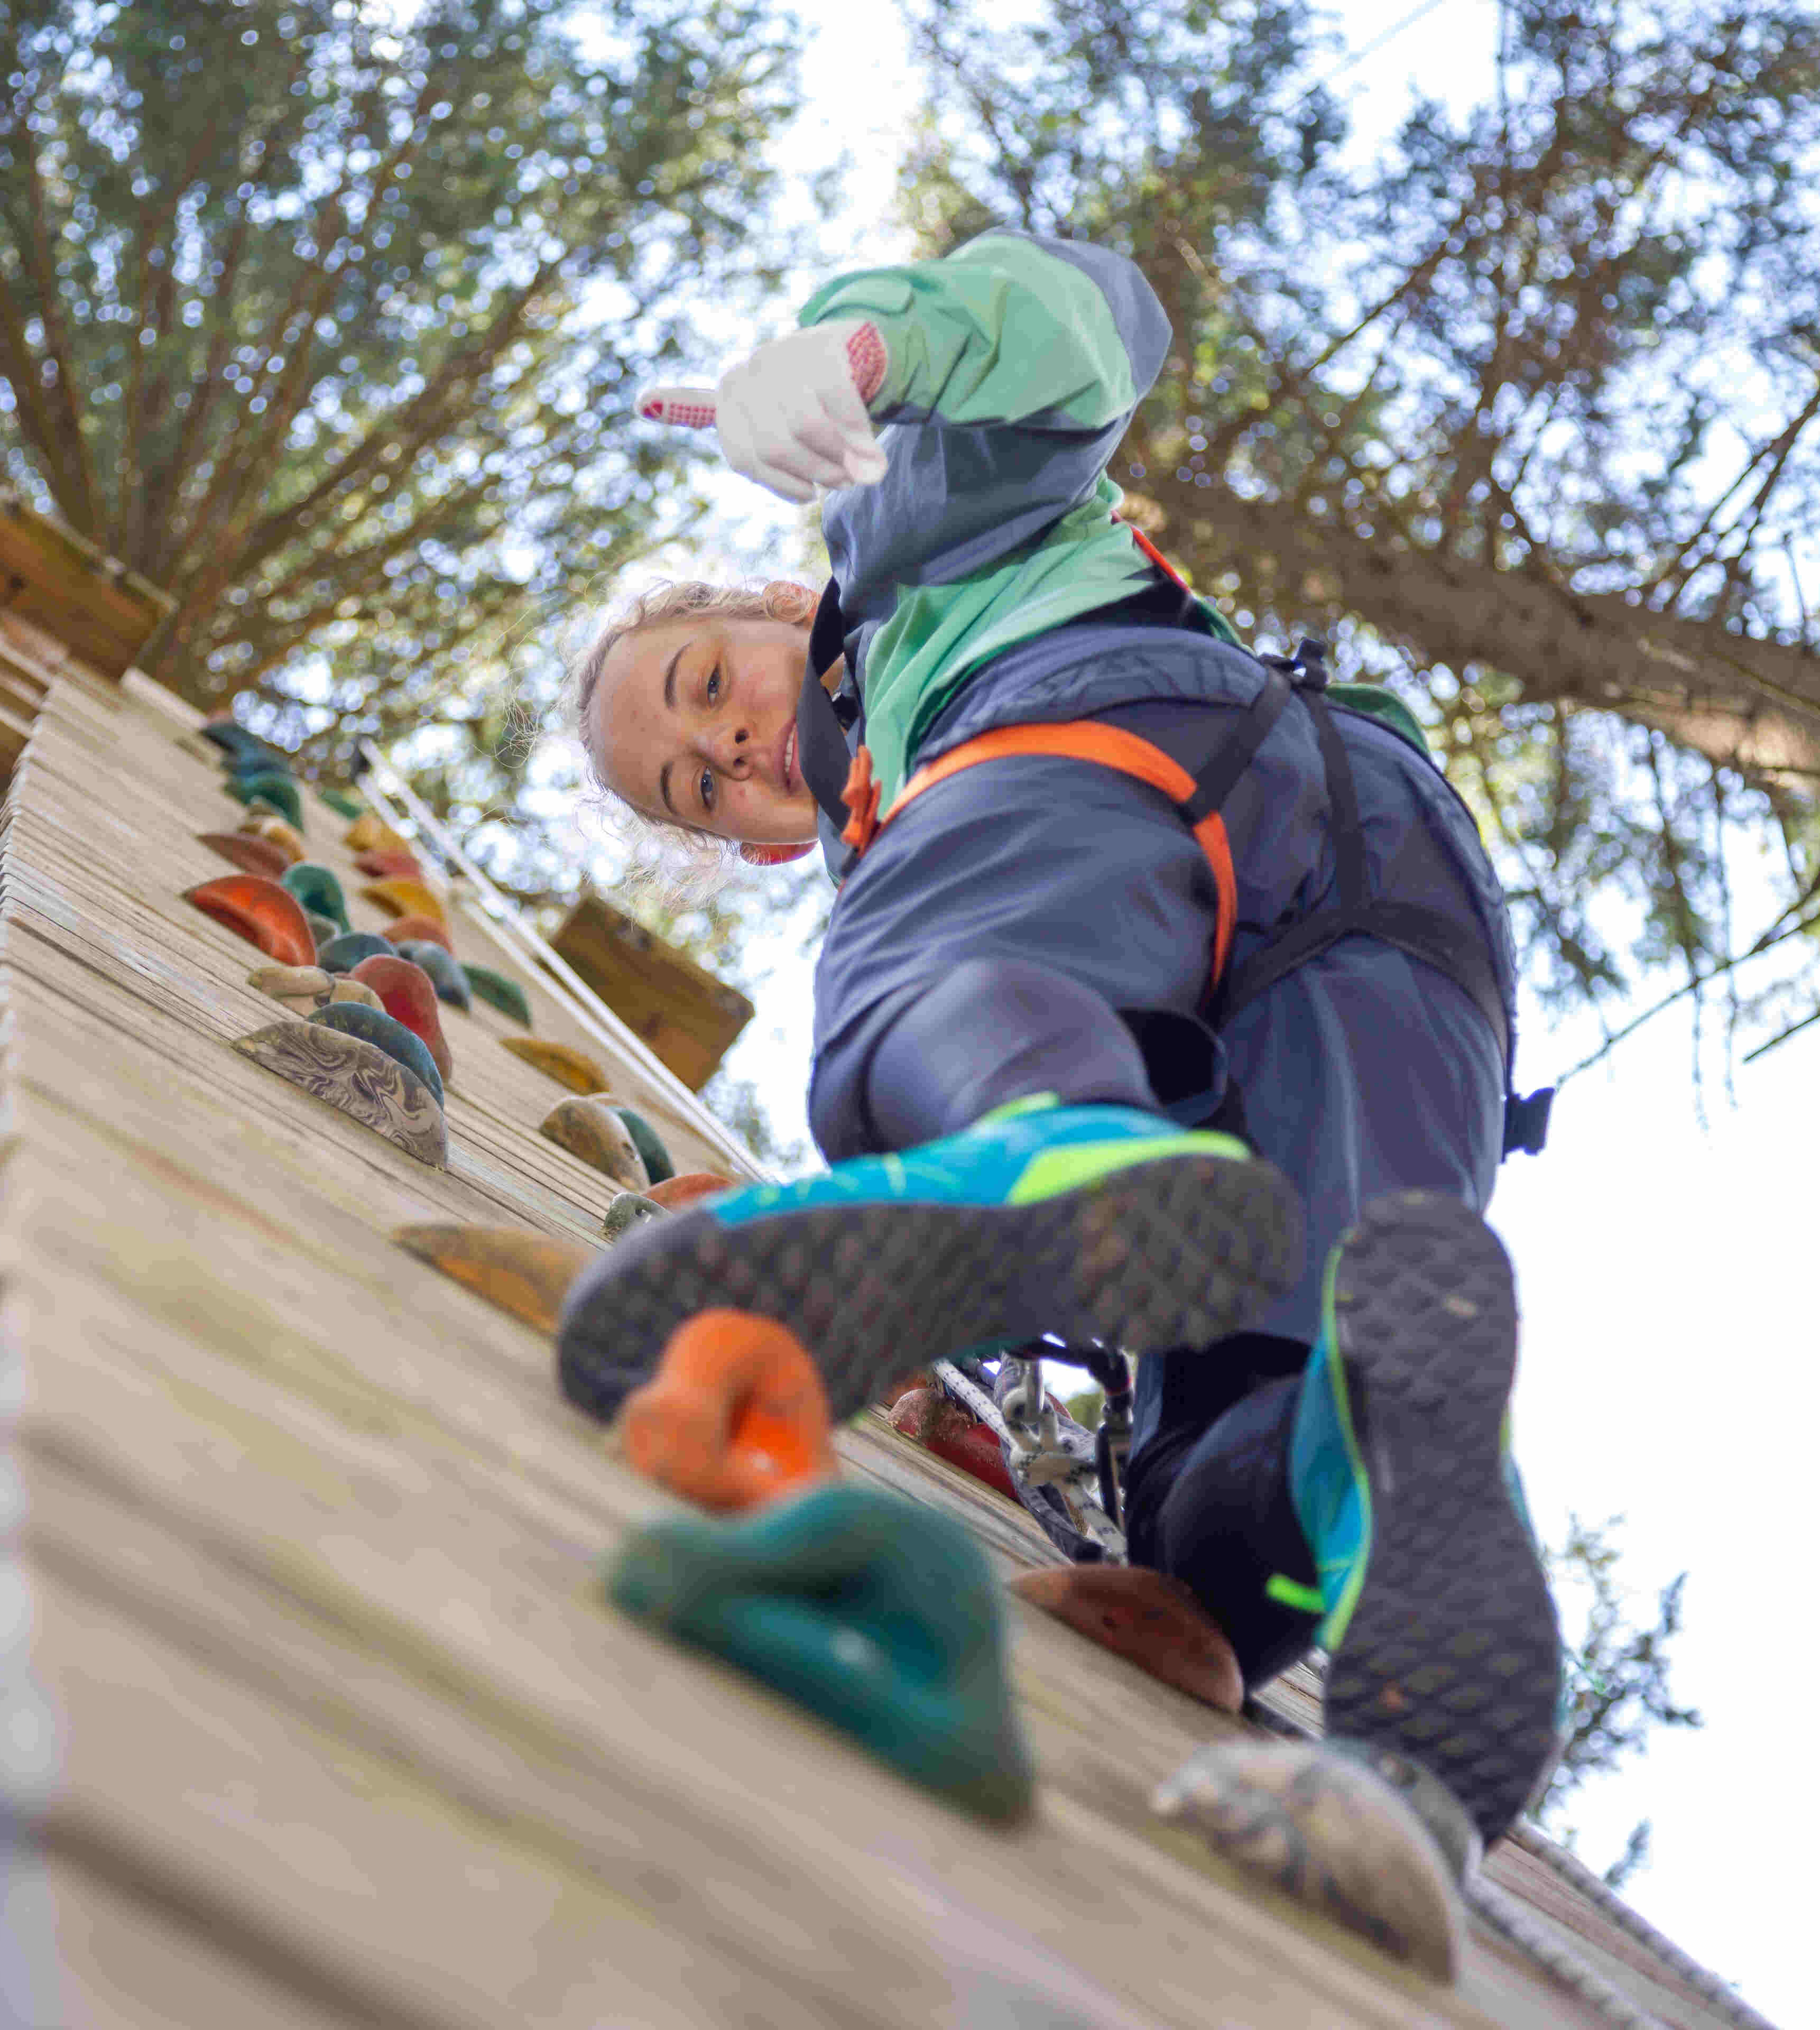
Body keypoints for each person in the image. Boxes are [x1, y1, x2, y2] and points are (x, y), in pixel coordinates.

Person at [555, 229, 1561, 1843]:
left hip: (1117, 740)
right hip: (1401, 926)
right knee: (1215, 1515)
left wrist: (866, 352)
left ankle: (1044, 1147)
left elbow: (1095, 320)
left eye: (701, 683)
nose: (735, 743)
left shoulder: (905, 546)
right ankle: (1370, 1452)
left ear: (762, 604)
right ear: (747, 844)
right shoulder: (900, 806)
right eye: (697, 781)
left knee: (899, 1020)